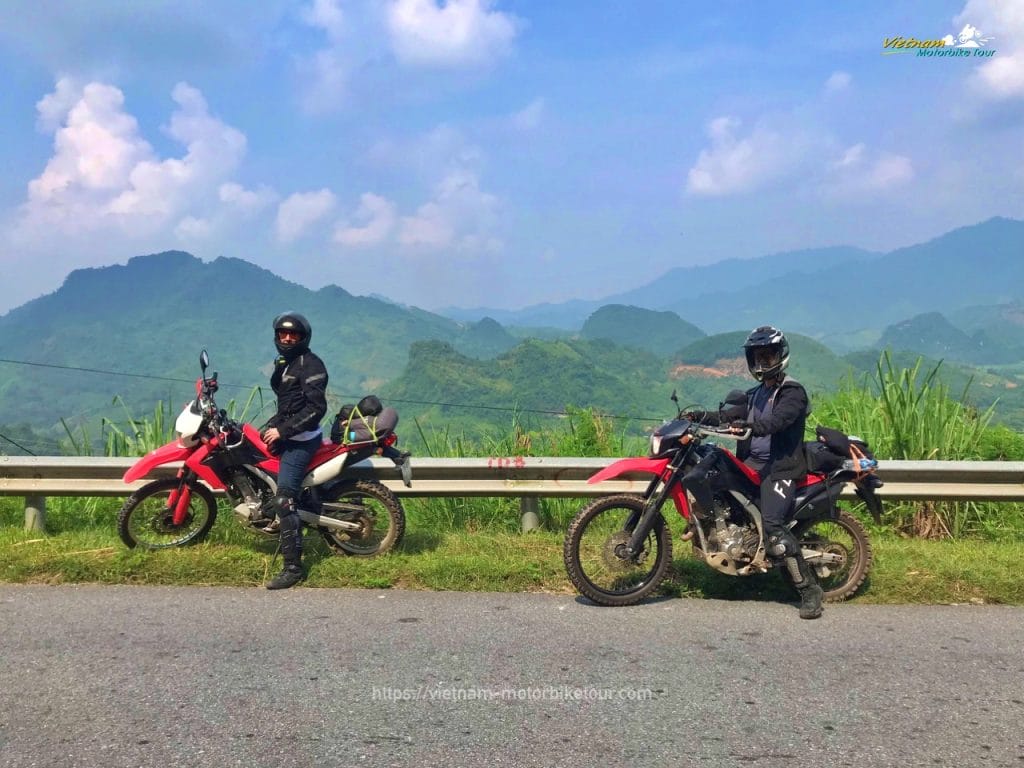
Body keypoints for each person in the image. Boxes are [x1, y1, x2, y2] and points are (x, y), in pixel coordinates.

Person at [684, 326, 823, 619]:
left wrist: (751, 427)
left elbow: (779, 421)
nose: (762, 363)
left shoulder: (792, 392)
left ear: (780, 355)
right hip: (753, 467)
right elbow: (727, 417)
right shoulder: (755, 393)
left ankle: (810, 592)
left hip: (781, 470)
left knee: (773, 528)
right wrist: (698, 416)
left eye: (767, 356)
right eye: (757, 357)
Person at [260, 311, 329, 590]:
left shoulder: (311, 365)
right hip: (289, 432)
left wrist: (283, 431)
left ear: (303, 338)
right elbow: (289, 404)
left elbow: (316, 409)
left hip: (302, 440)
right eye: (282, 334)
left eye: (294, 335)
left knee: (284, 500)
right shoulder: (287, 362)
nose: (287, 338)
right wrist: (274, 424)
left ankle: (292, 567)